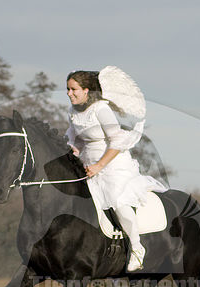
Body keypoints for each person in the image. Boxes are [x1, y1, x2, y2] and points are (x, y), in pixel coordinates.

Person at [65, 69, 168, 271]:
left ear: (86, 90)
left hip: (113, 165)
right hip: (88, 166)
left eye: (73, 89)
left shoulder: (101, 110)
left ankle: (137, 249)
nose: (69, 93)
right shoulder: (73, 112)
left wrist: (99, 166)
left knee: (118, 201)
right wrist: (72, 151)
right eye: (67, 89)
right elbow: (73, 138)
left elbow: (118, 141)